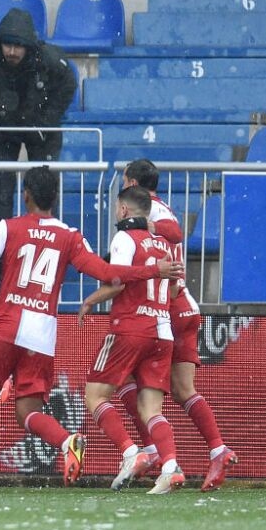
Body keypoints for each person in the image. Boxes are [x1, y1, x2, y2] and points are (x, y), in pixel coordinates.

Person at [0, 167, 184, 494]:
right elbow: (107, 272)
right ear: (55, 198)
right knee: (28, 410)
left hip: (6, 326)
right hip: (42, 334)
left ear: (25, 194)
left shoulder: (7, 228)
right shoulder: (70, 235)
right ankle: (67, 440)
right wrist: (154, 269)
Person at [115, 159, 239, 492]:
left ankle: (153, 451)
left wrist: (151, 230)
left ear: (133, 183)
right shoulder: (153, 209)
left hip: (164, 310)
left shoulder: (153, 209)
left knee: (121, 379)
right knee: (184, 390)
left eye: (124, 180)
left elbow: (174, 231)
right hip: (182, 306)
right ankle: (217, 448)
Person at [80, 185, 186, 495]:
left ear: (124, 210)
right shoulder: (164, 244)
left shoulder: (124, 238)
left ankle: (130, 452)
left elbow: (117, 282)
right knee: (152, 409)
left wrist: (90, 300)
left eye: (116, 208)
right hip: (162, 330)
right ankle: (170, 467)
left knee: (95, 396)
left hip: (130, 327)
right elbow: (175, 291)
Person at [0, 8, 77, 232]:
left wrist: (48, 120)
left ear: (29, 46)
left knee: (43, 190)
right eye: (7, 45)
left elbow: (68, 85)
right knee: (0, 191)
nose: (11, 51)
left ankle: (44, 242)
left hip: (41, 127)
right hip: (1, 124)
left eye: (18, 46)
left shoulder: (48, 56)